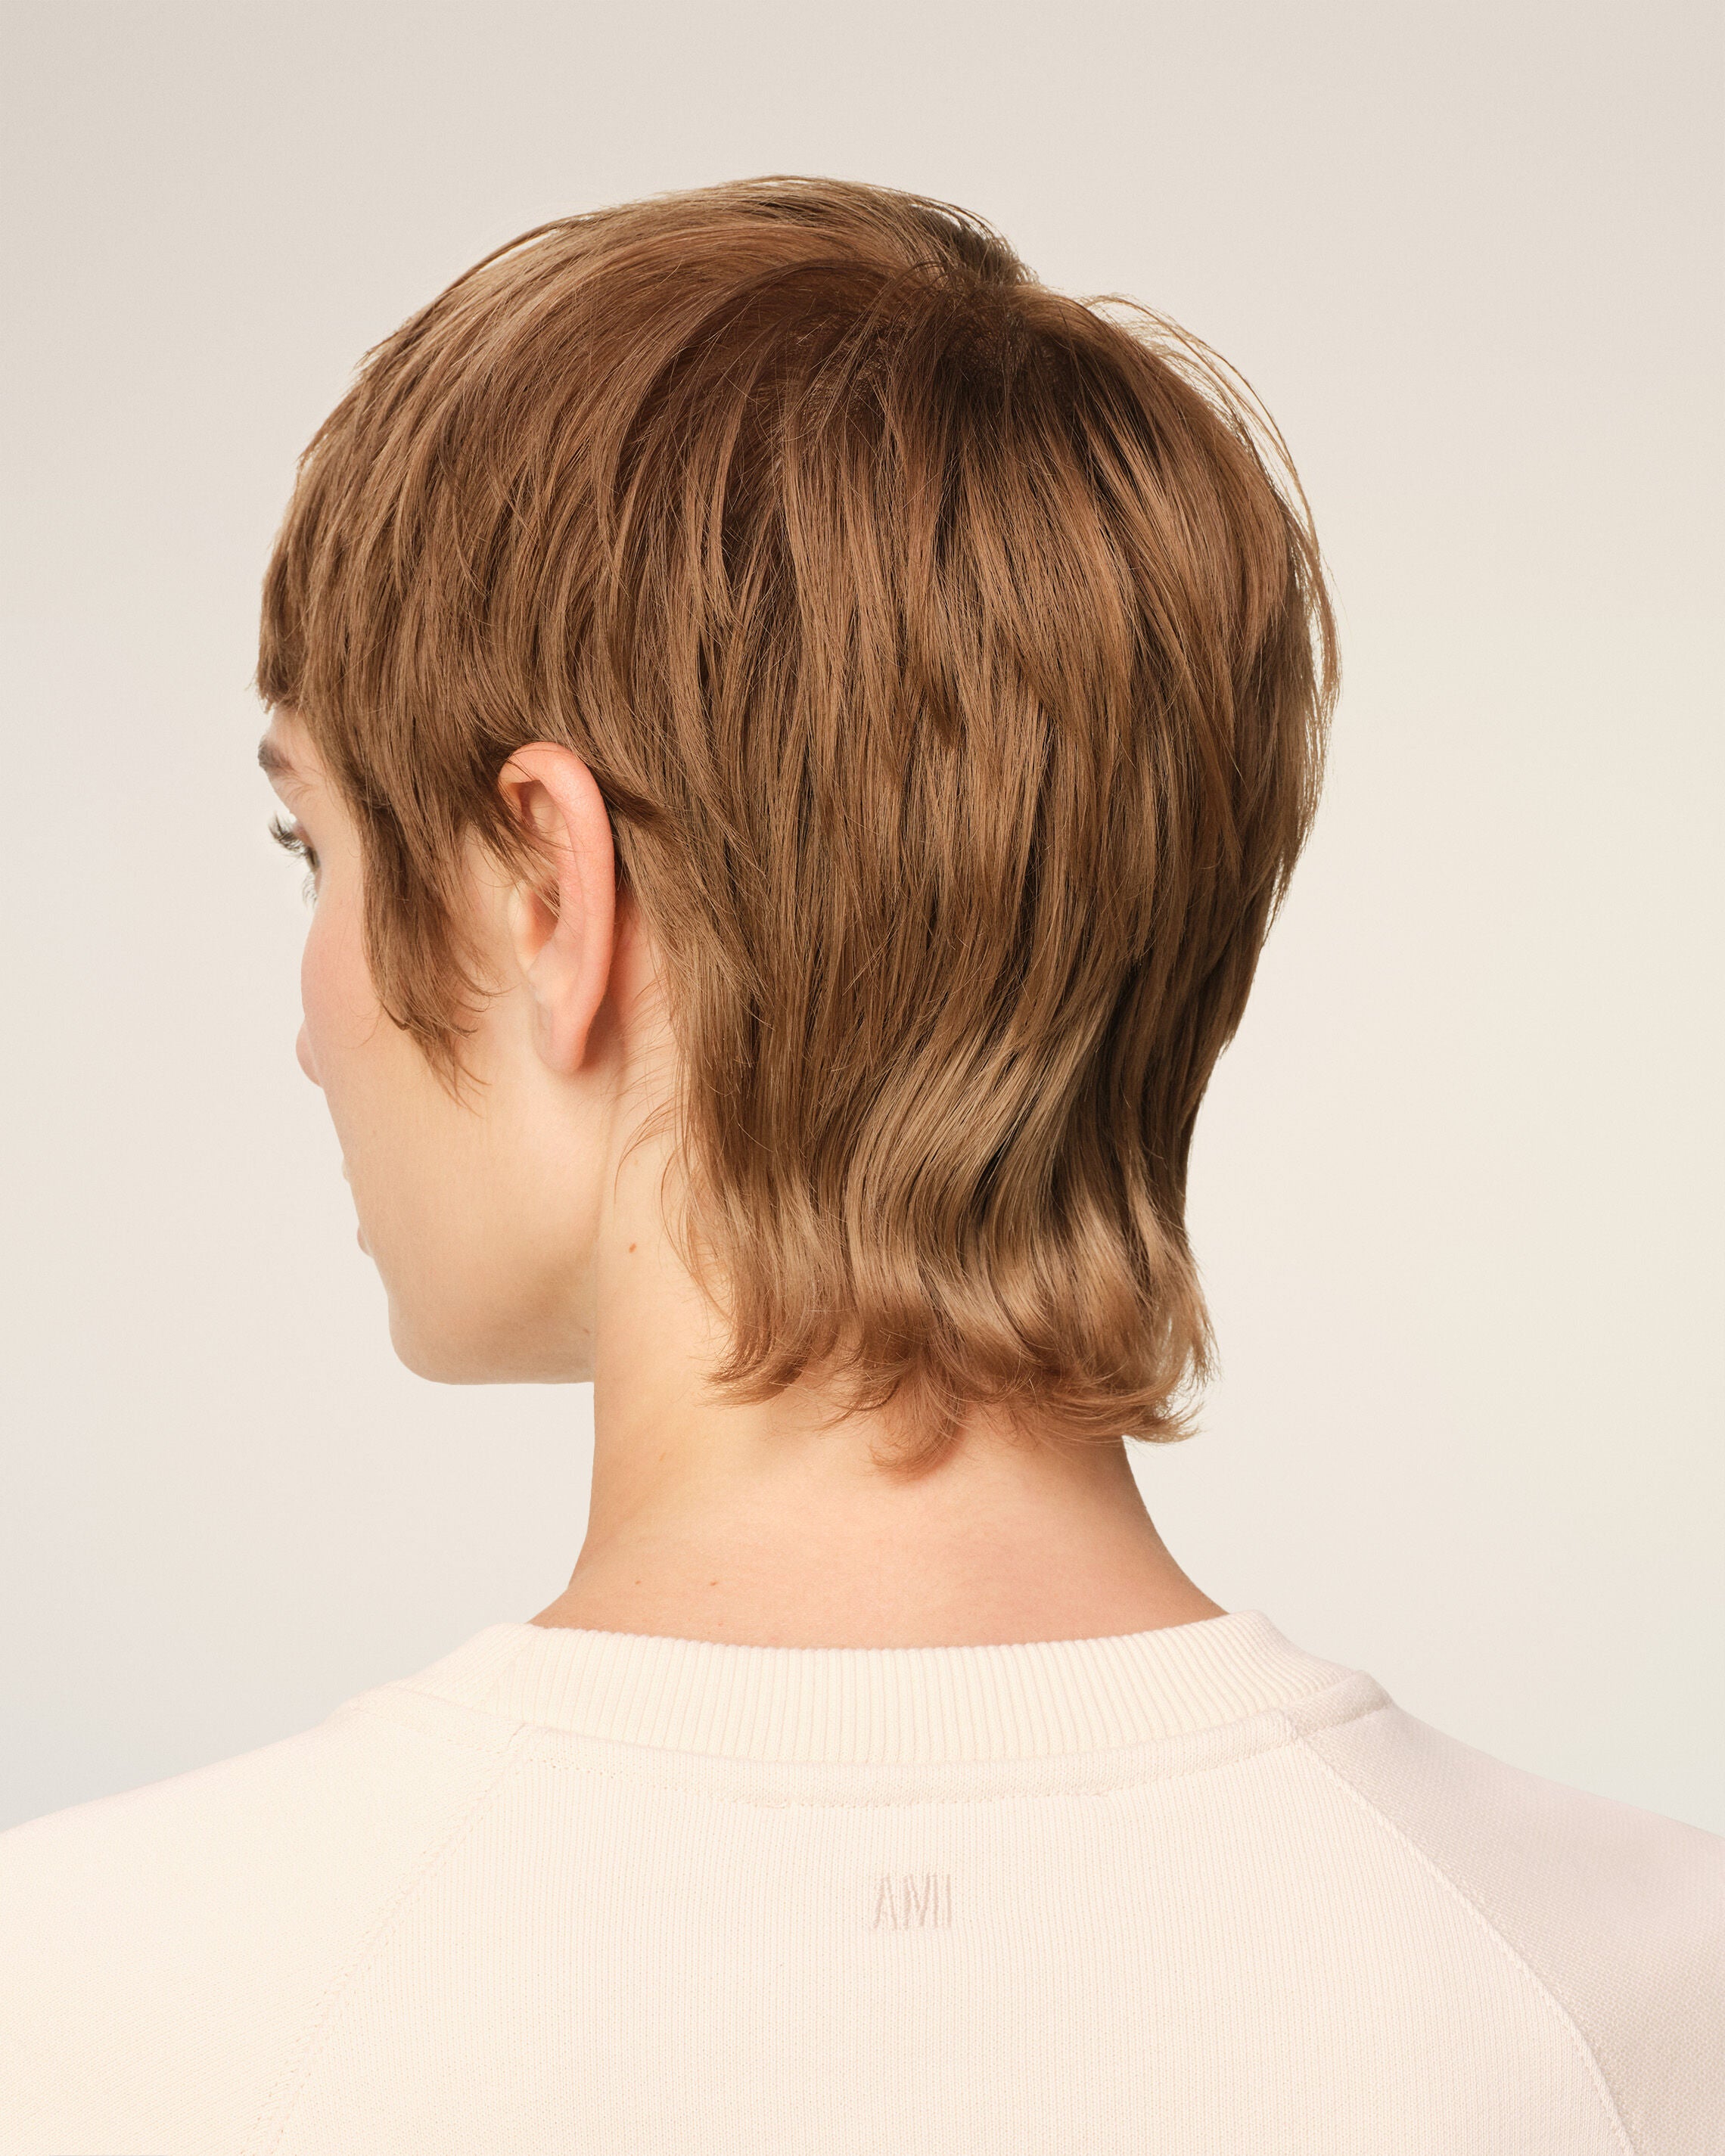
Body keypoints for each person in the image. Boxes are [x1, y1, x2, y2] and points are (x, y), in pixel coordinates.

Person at [0, 175, 1717, 2156]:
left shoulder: (98, 2012)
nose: (311, 1026)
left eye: (317, 847)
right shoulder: (1646, 2000)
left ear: (551, 893)